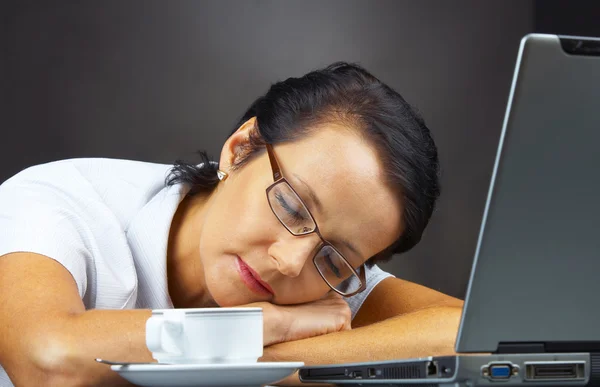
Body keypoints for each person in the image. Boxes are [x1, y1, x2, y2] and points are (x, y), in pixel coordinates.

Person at [0, 62, 462, 386]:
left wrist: (262, 360)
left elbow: (481, 342)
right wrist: (253, 332)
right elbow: (49, 361)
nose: (289, 260)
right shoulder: (56, 200)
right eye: (293, 206)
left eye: (334, 257)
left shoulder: (328, 282)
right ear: (241, 148)